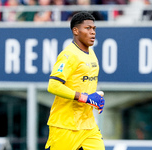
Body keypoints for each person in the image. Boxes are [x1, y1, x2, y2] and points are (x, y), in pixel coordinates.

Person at [45, 11, 105, 150]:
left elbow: (83, 84)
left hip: (88, 126)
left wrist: (95, 98)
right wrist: (85, 98)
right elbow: (53, 85)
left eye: (94, 29)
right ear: (76, 31)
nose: (93, 32)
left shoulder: (91, 53)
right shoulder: (68, 55)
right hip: (65, 125)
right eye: (88, 28)